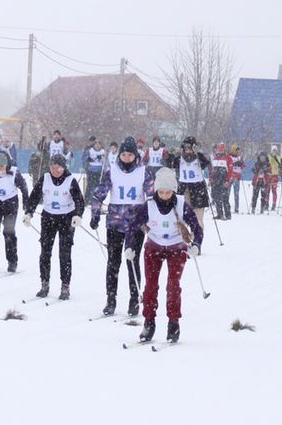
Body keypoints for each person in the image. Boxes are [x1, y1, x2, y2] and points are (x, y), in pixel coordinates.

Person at [137, 166, 203, 343]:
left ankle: (173, 323)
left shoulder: (181, 204)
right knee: (150, 285)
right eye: (161, 192)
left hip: (176, 248)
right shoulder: (149, 205)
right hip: (154, 247)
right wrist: (129, 246)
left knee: (173, 285)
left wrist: (196, 244)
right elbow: (133, 225)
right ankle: (149, 322)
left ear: (173, 190)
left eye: (168, 192)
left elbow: (196, 226)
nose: (164, 195)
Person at [88, 136, 148, 317]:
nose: (127, 158)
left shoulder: (143, 172)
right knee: (113, 263)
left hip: (136, 225)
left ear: (135, 155)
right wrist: (95, 215)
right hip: (115, 224)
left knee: (132, 262)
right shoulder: (112, 171)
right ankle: (111, 299)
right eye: (124, 154)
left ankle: (134, 299)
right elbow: (98, 195)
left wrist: (152, 220)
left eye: (130, 155)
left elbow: (152, 197)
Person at [24, 152, 85, 300]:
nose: (55, 170)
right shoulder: (45, 178)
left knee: (64, 253)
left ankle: (65, 286)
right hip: (48, 218)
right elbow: (34, 197)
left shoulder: (70, 180)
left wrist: (78, 214)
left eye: (58, 167)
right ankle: (44, 283)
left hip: (66, 218)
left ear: (64, 167)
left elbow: (79, 200)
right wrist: (29, 213)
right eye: (52, 166)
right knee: (45, 251)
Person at [0, 149, 29, 273]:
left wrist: (26, 202)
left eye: (2, 165)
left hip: (10, 203)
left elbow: (23, 187)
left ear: (7, 165)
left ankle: (12, 261)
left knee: (9, 232)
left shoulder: (14, 173)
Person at [176, 137, 212, 217]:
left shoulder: (199, 156)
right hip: (184, 188)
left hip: (198, 188)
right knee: (184, 217)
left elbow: (205, 164)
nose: (188, 151)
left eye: (190, 148)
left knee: (198, 218)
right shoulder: (179, 158)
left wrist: (199, 156)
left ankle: (198, 229)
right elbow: (169, 162)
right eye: (186, 148)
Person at [209, 142, 233, 221]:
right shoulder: (215, 158)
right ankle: (219, 214)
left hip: (223, 181)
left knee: (224, 198)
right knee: (216, 197)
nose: (219, 151)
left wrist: (228, 181)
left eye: (221, 149)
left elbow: (230, 171)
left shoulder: (228, 158)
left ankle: (228, 214)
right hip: (215, 181)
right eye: (218, 149)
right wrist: (210, 179)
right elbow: (212, 171)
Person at [229, 145, 245, 214]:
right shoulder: (229, 157)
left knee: (236, 193)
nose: (237, 152)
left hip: (237, 177)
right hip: (231, 176)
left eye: (238, 151)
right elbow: (228, 164)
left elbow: (243, 166)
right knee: (227, 192)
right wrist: (234, 164)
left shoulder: (239, 157)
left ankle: (236, 208)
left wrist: (241, 164)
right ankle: (227, 206)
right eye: (236, 151)